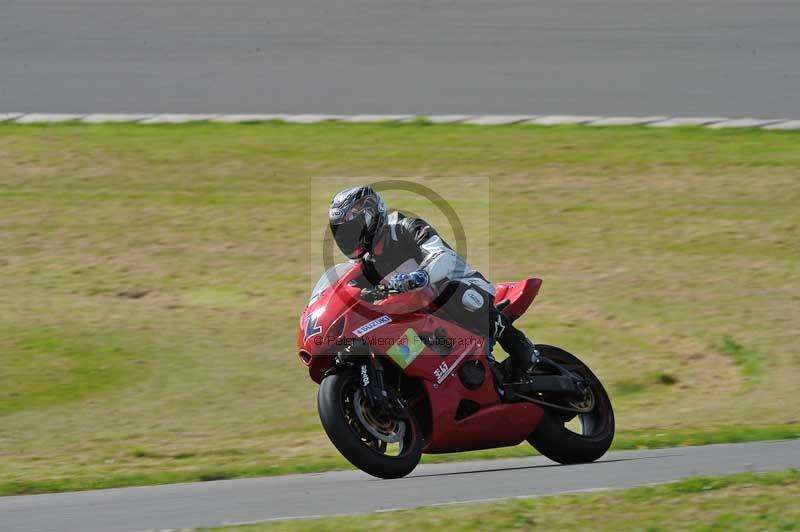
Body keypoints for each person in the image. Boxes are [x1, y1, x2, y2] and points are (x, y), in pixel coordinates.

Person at [328, 185, 540, 381]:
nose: (347, 238)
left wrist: (421, 276)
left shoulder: (404, 227)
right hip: (420, 315)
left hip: (462, 287)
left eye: (352, 230)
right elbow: (348, 293)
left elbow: (442, 256)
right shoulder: (363, 265)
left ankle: (521, 348)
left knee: (453, 294)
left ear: (370, 218)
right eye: (341, 233)